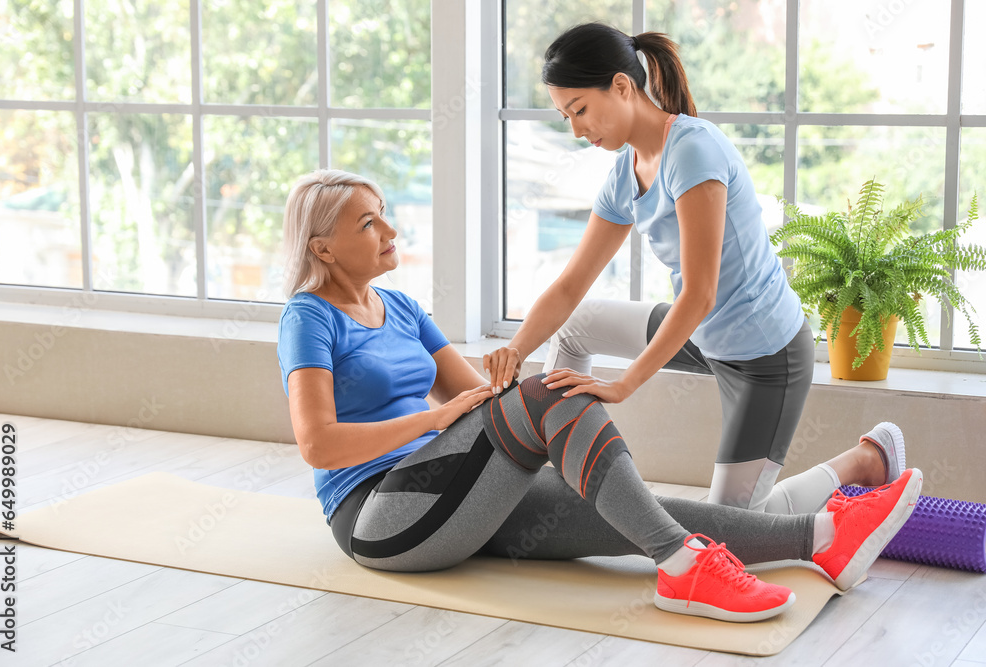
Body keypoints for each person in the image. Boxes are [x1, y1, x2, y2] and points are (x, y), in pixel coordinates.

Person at [277, 169, 923, 623]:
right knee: (552, 396)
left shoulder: (400, 307)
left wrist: (548, 424)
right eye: (368, 222)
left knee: (638, 511)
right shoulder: (308, 317)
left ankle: (824, 537)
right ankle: (682, 569)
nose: (389, 228)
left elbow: (479, 400)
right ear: (322, 247)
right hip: (379, 519)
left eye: (385, 211)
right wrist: (450, 415)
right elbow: (318, 443)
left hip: (458, 494)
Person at [483, 23, 905, 514]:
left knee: (727, 529)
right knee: (575, 326)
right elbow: (571, 285)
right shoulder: (626, 171)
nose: (576, 129)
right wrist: (515, 349)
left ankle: (864, 462)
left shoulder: (693, 150)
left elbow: (701, 293)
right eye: (565, 116)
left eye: (579, 110)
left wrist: (625, 384)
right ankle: (561, 478)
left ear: (622, 86)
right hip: (703, 334)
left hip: (766, 356)